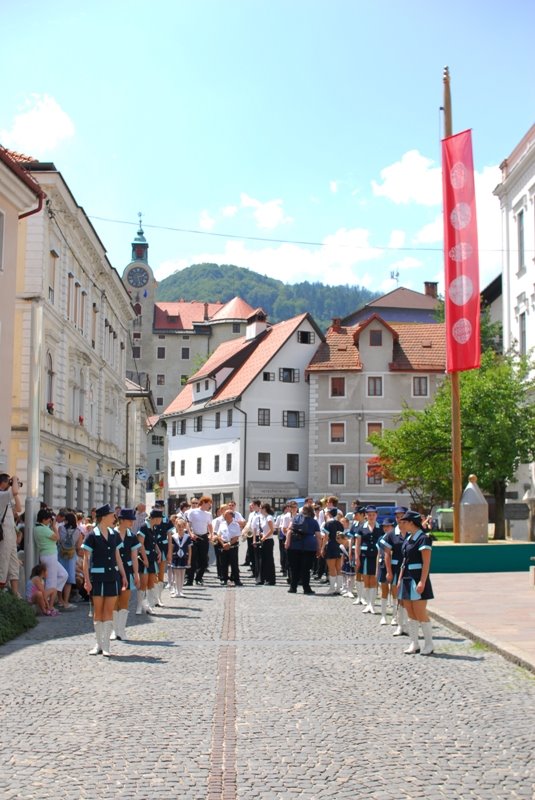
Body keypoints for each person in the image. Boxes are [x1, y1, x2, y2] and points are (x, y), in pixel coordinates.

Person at [82, 504, 127, 657]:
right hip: (98, 578)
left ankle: (106, 645)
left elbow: (118, 557)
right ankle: (98, 644)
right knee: (98, 612)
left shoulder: (114, 534)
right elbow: (86, 559)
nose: (114, 518)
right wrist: (86, 580)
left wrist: (124, 575)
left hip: (112, 577)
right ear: (103, 517)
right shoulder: (92, 535)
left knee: (109, 611)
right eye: (112, 515)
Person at [397, 510, 435, 655]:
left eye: (404, 521)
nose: (402, 524)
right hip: (406, 578)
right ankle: (414, 643)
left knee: (420, 612)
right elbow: (404, 561)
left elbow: (426, 563)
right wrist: (400, 579)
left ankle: (429, 644)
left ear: (412, 522)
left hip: (417, 578)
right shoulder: (408, 539)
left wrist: (422, 582)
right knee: (410, 612)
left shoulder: (423, 539)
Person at [111, 508, 141, 642]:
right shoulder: (112, 534)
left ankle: (121, 630)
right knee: (114, 600)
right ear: (121, 520)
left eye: (133, 520)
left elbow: (135, 557)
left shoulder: (132, 536)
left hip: (128, 571)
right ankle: (113, 630)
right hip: (113, 571)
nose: (132, 523)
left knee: (124, 599)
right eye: (129, 520)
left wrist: (136, 574)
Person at [34, 508, 69, 610]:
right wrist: (54, 526)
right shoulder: (43, 529)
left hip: (48, 556)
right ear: (44, 519)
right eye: (49, 519)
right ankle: (50, 605)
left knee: (63, 575)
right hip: (49, 556)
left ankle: (50, 597)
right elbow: (57, 538)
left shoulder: (38, 528)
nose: (50, 521)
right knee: (51, 581)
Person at [285, 504, 322, 595]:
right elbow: (318, 536)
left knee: (294, 568)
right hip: (309, 546)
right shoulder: (314, 522)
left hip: (295, 545)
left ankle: (293, 587)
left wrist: (287, 542)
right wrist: (319, 549)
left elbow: (289, 531)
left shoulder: (295, 519)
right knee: (306, 569)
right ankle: (306, 588)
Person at [355, 505, 384, 614]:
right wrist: (357, 558)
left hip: (376, 557)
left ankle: (372, 603)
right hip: (365, 556)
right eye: (369, 515)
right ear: (366, 516)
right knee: (366, 579)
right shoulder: (361, 528)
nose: (371, 517)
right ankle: (368, 603)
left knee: (374, 579)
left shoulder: (380, 528)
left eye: (373, 515)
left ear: (376, 515)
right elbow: (357, 544)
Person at [0, 474, 23, 597]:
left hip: (11, 534)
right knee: (3, 563)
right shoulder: (1, 495)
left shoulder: (6, 497)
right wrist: (14, 479)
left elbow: (18, 509)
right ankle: (2, 591)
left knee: (14, 564)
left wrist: (15, 490)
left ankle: (15, 592)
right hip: (4, 534)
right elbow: (14, 490)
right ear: (4, 482)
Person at [136, 510, 162, 614]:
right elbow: (140, 544)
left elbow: (154, 542)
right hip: (144, 558)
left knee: (151, 582)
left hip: (152, 558)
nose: (161, 520)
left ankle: (148, 606)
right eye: (160, 518)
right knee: (143, 583)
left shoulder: (153, 527)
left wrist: (159, 551)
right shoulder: (144, 527)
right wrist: (145, 559)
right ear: (155, 518)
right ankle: (139, 606)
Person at [57, 511, 83, 609]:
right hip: (71, 556)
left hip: (61, 555)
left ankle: (60, 600)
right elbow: (78, 546)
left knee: (60, 577)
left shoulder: (60, 528)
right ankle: (66, 602)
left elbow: (58, 540)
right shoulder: (78, 532)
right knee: (69, 580)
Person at [185, 496, 213, 585]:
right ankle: (189, 580)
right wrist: (191, 533)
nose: (210, 505)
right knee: (193, 559)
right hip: (194, 537)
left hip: (204, 537)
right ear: (204, 503)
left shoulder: (208, 514)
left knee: (204, 561)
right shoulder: (193, 512)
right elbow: (188, 524)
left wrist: (211, 534)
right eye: (209, 503)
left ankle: (199, 578)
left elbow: (210, 525)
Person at [216, 507, 243, 586]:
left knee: (234, 563)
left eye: (226, 514)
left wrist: (229, 544)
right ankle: (224, 579)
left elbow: (236, 537)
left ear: (231, 516)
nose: (224, 515)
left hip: (232, 545)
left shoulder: (236, 525)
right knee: (223, 563)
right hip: (223, 544)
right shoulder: (222, 524)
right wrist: (223, 544)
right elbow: (218, 535)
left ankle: (236, 579)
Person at [322, 508, 344, 595]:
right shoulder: (340, 523)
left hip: (331, 545)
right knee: (338, 568)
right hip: (339, 545)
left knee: (331, 568)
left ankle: (332, 588)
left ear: (329, 514)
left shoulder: (328, 523)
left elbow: (326, 537)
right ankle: (338, 588)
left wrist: (322, 547)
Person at [170, 518, 192, 597]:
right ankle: (176, 591)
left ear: (184, 527)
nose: (180, 528)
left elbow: (189, 549)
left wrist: (189, 559)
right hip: (176, 557)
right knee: (176, 574)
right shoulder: (174, 537)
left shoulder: (187, 537)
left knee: (182, 574)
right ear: (176, 526)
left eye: (182, 526)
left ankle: (181, 591)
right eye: (179, 526)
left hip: (184, 557)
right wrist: (170, 557)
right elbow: (171, 548)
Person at [258, 503, 276, 585]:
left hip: (268, 541)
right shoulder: (264, 518)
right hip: (264, 540)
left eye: (261, 508)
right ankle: (263, 578)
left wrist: (264, 537)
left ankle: (271, 579)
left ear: (265, 509)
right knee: (263, 560)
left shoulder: (269, 517)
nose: (260, 509)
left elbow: (272, 530)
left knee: (269, 560)